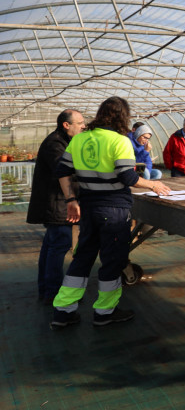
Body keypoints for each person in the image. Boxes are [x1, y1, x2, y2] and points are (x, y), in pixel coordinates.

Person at [50, 97, 171, 330]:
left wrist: (71, 200)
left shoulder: (79, 139)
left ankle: (63, 312)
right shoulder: (120, 141)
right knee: (112, 261)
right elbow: (128, 177)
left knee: (82, 257)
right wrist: (154, 185)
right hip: (114, 209)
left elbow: (62, 171)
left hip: (89, 208)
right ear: (122, 116)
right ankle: (105, 313)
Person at [27, 109, 86, 306]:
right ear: (66, 125)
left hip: (56, 202)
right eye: (80, 123)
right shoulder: (55, 143)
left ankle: (46, 289)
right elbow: (64, 170)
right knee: (59, 246)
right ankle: (53, 292)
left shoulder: (63, 141)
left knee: (51, 246)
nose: (84, 126)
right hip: (57, 204)